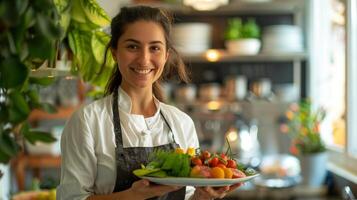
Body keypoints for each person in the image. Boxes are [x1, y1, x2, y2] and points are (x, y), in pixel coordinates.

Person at [57, 5, 241, 200]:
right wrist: (131, 196)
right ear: (114, 52)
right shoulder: (88, 121)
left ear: (166, 55)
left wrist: (204, 196)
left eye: (154, 48)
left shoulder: (182, 123)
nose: (144, 59)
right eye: (132, 46)